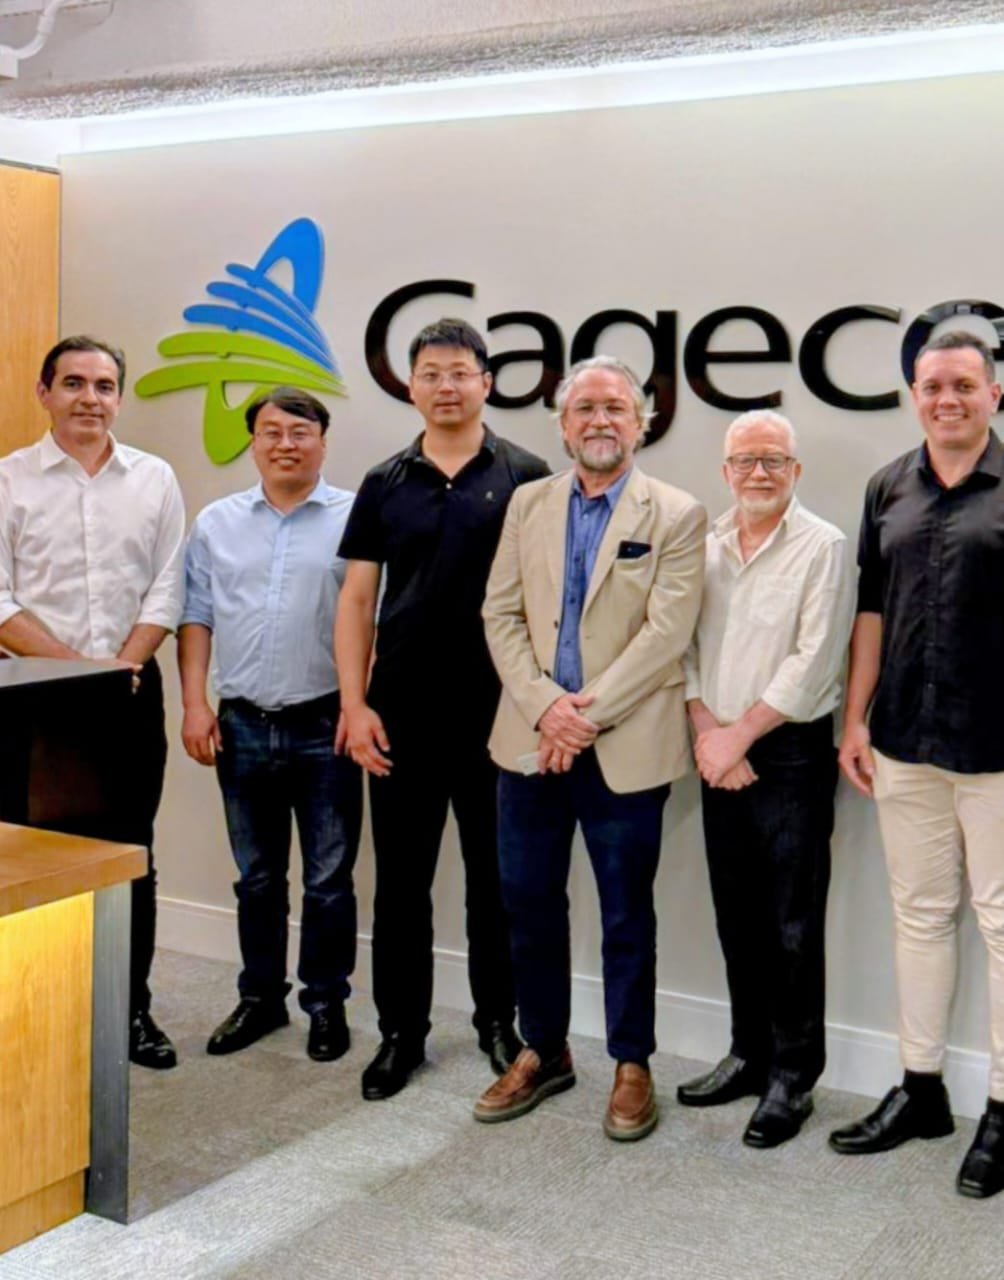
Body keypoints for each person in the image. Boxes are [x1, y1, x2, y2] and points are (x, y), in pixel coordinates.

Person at [473, 355, 705, 1141]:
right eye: (585, 409)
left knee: (626, 914)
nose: (600, 421)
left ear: (641, 423)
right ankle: (544, 1049)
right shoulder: (528, 503)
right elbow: (500, 614)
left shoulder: (676, 513)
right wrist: (546, 708)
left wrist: (582, 718)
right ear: (563, 425)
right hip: (529, 743)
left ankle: (632, 1062)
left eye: (615, 408)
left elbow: (666, 634)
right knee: (528, 904)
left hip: (624, 749)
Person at [335, 317, 550, 1100]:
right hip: (400, 713)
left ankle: (499, 1023)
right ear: (412, 387)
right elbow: (357, 600)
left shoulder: (528, 475)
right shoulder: (384, 481)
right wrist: (354, 704)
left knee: (498, 882)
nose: (446, 386)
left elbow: (549, 597)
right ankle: (402, 1033)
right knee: (400, 884)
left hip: (500, 713)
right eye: (430, 373)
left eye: (460, 372)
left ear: (486, 383)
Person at [830, 330, 1004, 1198]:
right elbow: (871, 608)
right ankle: (922, 1089)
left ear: (994, 395)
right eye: (933, 386)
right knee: (920, 918)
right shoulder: (886, 486)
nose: (947, 399)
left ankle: (1003, 1110)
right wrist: (854, 718)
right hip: (903, 738)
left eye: (964, 385)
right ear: (914, 396)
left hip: (998, 748)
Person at [0, 334, 185, 1069]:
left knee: (129, 853)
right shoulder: (9, 480)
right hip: (28, 701)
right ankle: (34, 1015)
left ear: (118, 398)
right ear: (44, 393)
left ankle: (128, 1011)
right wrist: (81, 670)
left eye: (103, 386)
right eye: (73, 383)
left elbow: (167, 587)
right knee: (28, 857)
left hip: (129, 693)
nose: (89, 398)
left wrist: (122, 667)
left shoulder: (155, 479)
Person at [677, 409, 853, 1147]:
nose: (759, 472)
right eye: (745, 460)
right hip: (714, 746)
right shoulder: (705, 543)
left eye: (773, 460)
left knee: (790, 923)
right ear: (725, 471)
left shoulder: (824, 546)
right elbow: (683, 645)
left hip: (788, 755)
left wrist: (738, 736)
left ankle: (792, 1076)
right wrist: (707, 733)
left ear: (795, 470)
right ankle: (748, 1053)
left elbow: (815, 661)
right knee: (736, 914)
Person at [178, 388, 361, 1062]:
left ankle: (326, 1002)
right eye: (271, 432)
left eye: (300, 432)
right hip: (242, 724)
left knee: (328, 881)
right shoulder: (217, 522)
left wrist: (359, 708)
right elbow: (196, 616)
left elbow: (370, 621)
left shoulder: (356, 519)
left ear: (322, 442)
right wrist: (194, 704)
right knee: (256, 878)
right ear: (254, 443)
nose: (286, 444)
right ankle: (260, 997)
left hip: (326, 723)